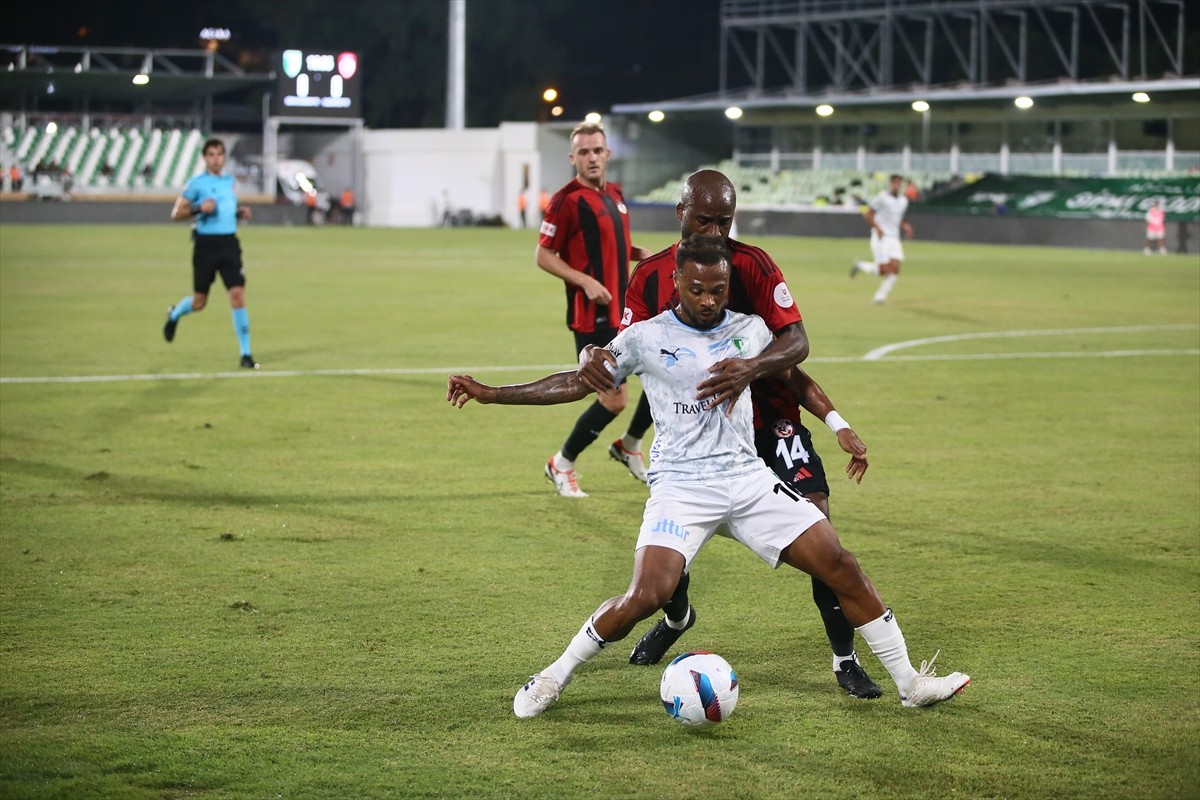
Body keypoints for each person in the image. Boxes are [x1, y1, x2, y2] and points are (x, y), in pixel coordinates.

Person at [446, 234, 970, 717]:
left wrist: (837, 423)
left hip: (746, 478)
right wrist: (492, 392)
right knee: (646, 594)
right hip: (679, 485)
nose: (708, 299)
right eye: (696, 289)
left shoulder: (750, 330)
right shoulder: (645, 338)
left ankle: (909, 683)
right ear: (676, 282)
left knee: (840, 564)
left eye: (717, 289)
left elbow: (794, 373)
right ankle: (552, 676)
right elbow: (577, 383)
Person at [581, 169, 882, 699]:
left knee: (823, 536)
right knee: (669, 554)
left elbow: (796, 348)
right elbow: (634, 351)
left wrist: (826, 416)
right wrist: (593, 354)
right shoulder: (650, 277)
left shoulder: (755, 265)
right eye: (705, 220)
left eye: (725, 220)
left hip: (772, 419)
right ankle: (675, 621)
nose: (717, 231)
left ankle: (845, 659)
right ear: (681, 214)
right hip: (696, 435)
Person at [535, 120, 656, 497]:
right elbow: (543, 255)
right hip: (592, 317)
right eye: (583, 152)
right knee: (614, 399)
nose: (591, 157)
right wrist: (585, 281)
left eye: (597, 150)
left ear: (607, 154)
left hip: (625, 312)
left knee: (665, 374)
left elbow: (614, 247)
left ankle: (630, 445)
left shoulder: (615, 196)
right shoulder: (566, 200)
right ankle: (562, 462)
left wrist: (641, 256)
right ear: (573, 158)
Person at [162, 137, 259, 369]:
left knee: (237, 296)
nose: (216, 159)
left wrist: (238, 212)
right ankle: (175, 313)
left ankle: (246, 354)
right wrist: (197, 208)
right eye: (211, 154)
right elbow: (176, 214)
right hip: (206, 246)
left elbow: (226, 209)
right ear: (205, 158)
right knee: (199, 302)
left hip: (229, 245)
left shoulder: (230, 182)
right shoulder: (196, 184)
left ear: (224, 157)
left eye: (219, 154)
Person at [849, 174, 913, 305]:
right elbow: (868, 214)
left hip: (894, 237)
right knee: (883, 270)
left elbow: (896, 216)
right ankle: (860, 265)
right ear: (890, 184)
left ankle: (880, 296)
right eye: (893, 182)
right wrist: (877, 228)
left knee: (895, 268)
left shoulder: (903, 201)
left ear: (900, 185)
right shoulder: (882, 197)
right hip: (881, 237)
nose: (895, 185)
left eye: (898, 183)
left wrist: (905, 225)